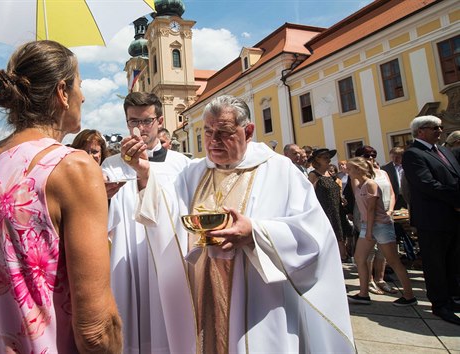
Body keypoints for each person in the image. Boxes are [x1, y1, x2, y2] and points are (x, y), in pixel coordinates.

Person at [122, 95, 354, 353]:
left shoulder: (279, 170)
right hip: (205, 293)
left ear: (249, 131)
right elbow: (166, 214)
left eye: (224, 132)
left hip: (258, 301)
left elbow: (313, 235)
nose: (213, 141)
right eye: (208, 132)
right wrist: (144, 174)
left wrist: (256, 232)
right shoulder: (195, 172)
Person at [0, 40, 122, 352]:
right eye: (80, 85)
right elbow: (95, 329)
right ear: (62, 92)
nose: (83, 97)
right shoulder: (72, 167)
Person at [101, 92, 190, 353]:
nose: (139, 128)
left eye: (146, 121)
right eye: (132, 122)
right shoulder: (111, 166)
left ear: (160, 121)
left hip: (167, 259)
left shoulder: (182, 165)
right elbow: (104, 220)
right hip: (125, 260)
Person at [403, 116, 460, 326]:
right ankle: (440, 304)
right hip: (432, 218)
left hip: (452, 215)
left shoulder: (444, 151)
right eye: (434, 128)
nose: (439, 130)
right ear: (420, 132)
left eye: (440, 127)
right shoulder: (413, 154)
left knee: (454, 261)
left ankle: (454, 298)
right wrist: (456, 199)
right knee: (436, 263)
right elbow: (427, 184)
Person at [345, 157, 417, 306]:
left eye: (350, 168)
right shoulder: (358, 183)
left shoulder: (371, 184)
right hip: (368, 225)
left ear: (358, 169)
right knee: (359, 258)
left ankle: (410, 296)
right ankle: (363, 294)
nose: (347, 171)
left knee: (393, 260)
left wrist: (369, 232)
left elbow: (371, 210)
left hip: (380, 225)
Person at [307, 148, 347, 260]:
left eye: (329, 157)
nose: (328, 160)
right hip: (325, 212)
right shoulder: (314, 175)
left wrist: (341, 199)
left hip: (337, 211)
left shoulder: (331, 174)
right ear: (317, 160)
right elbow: (309, 194)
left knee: (340, 238)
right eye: (325, 158)